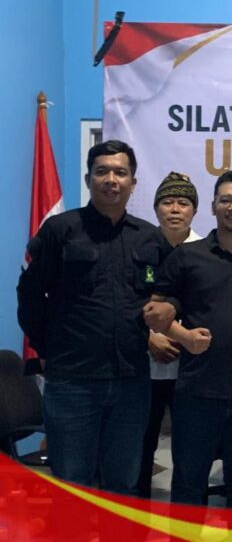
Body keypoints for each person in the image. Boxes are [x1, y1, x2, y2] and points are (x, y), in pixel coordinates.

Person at [17, 140, 171, 495]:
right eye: (102, 171)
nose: (111, 179)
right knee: (74, 486)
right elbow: (29, 295)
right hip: (73, 382)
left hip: (131, 381)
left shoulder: (149, 237)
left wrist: (169, 308)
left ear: (133, 182)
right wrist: (48, 348)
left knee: (123, 485)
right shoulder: (60, 230)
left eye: (120, 172)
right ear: (89, 180)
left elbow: (170, 288)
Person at [147, 171, 232, 508]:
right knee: (189, 484)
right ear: (213, 206)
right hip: (197, 393)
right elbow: (155, 311)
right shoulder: (187, 256)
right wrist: (183, 336)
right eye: (226, 200)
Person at [137, 172, 201, 499]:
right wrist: (149, 338)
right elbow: (127, 302)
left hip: (191, 370)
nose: (175, 209)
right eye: (168, 202)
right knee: (139, 447)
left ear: (195, 210)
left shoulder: (207, 250)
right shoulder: (139, 247)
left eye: (183, 202)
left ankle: (187, 517)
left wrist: (183, 336)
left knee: (191, 451)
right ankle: (134, 516)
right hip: (142, 367)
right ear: (156, 207)